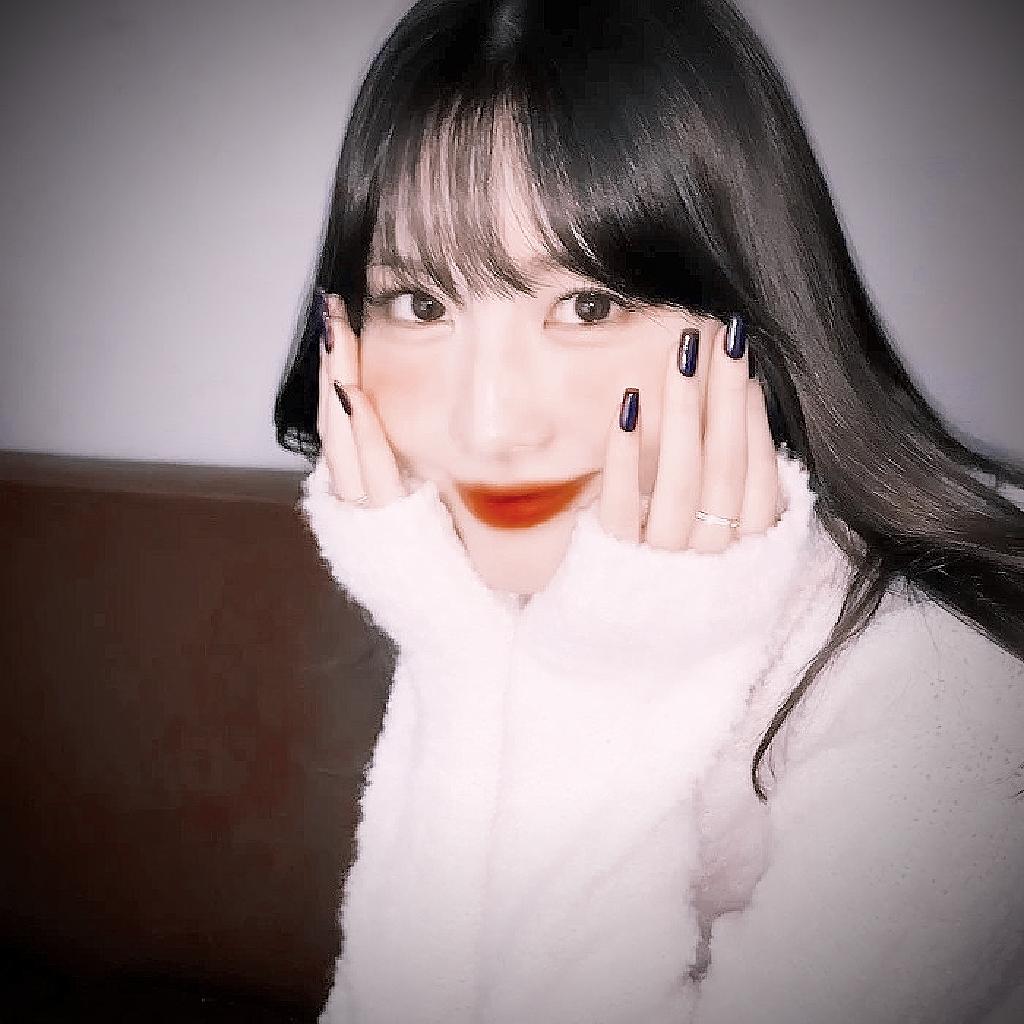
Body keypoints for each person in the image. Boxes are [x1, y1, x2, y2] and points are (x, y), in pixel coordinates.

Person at [274, 0, 1024, 1020]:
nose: (489, 424)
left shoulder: (951, 690)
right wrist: (452, 644)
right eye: (421, 305)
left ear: (749, 307)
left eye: (588, 306)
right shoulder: (506, 574)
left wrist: (612, 679)